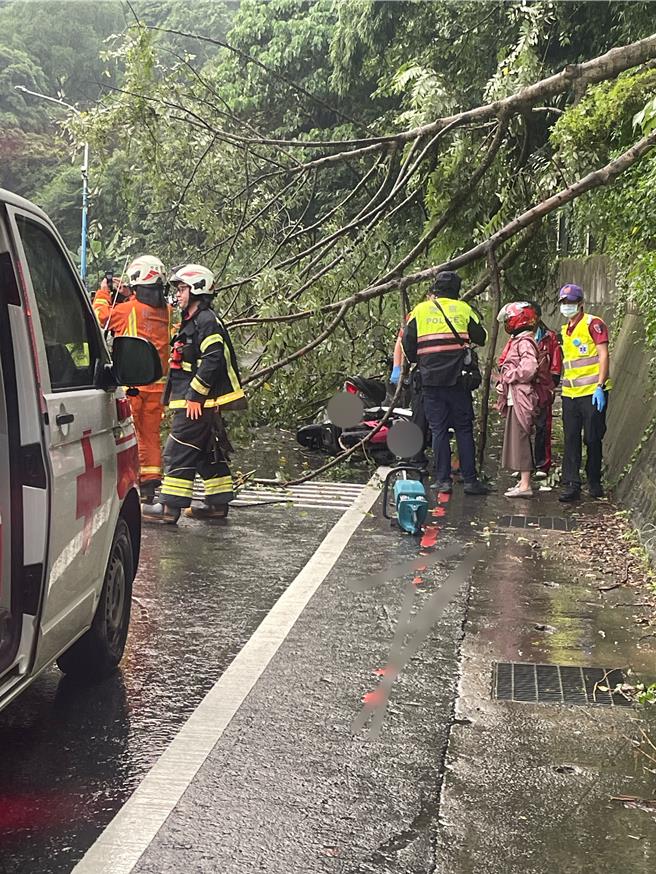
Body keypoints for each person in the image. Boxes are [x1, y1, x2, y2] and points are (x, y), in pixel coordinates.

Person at [144, 264, 245, 524]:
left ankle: (168, 509)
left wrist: (195, 397)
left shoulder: (206, 321)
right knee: (205, 450)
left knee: (178, 449)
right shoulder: (195, 321)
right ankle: (217, 505)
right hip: (202, 401)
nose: (178, 295)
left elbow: (212, 361)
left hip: (199, 402)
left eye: (182, 289)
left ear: (198, 289)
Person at [93, 255, 173, 504]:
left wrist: (103, 293)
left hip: (134, 386)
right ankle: (150, 482)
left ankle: (134, 481)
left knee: (133, 434)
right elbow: (144, 313)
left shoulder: (127, 310)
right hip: (159, 386)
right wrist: (128, 292)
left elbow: (100, 318)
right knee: (151, 435)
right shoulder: (167, 312)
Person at [402, 270, 488, 495]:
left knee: (438, 430)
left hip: (430, 380)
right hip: (459, 380)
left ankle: (443, 481)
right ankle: (470, 480)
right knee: (463, 429)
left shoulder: (419, 311)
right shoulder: (464, 309)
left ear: (435, 289)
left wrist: (418, 362)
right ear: (457, 290)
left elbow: (407, 341)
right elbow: (481, 336)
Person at [558, 283, 610, 502]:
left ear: (580, 304)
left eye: (570, 302)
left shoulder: (593, 324)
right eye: (564, 303)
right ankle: (572, 483)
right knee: (570, 438)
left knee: (592, 437)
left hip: (592, 393)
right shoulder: (565, 330)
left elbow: (603, 355)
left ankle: (594, 479)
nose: (567, 306)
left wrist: (600, 386)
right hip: (570, 394)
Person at [496, 302, 550, 498]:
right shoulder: (520, 340)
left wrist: (509, 375)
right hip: (516, 397)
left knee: (521, 438)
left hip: (522, 397)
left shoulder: (524, 342)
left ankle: (526, 484)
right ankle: (522, 481)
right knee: (517, 438)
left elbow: (529, 368)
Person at [532, 301, 563, 477]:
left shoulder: (549, 338)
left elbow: (556, 367)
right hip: (524, 388)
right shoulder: (518, 336)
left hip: (543, 387)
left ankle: (542, 464)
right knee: (523, 426)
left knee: (542, 426)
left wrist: (551, 387)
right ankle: (524, 464)